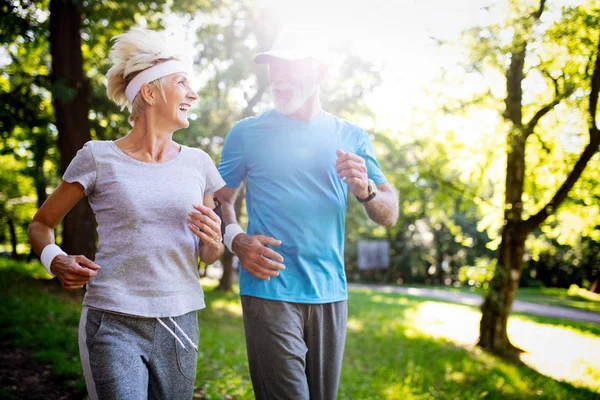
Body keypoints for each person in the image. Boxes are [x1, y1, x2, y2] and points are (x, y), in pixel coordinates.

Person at [27, 28, 225, 400]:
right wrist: (55, 260)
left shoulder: (199, 164)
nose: (193, 94)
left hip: (179, 318)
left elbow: (209, 255)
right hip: (112, 317)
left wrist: (214, 242)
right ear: (149, 92)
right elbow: (41, 223)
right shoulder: (98, 157)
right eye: (182, 83)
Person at [214, 31, 399, 400]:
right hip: (270, 287)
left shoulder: (351, 135)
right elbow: (218, 200)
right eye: (273, 66)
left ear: (321, 73)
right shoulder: (246, 133)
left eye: (290, 67)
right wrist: (236, 240)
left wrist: (366, 190)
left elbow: (390, 211)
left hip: (330, 292)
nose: (278, 76)